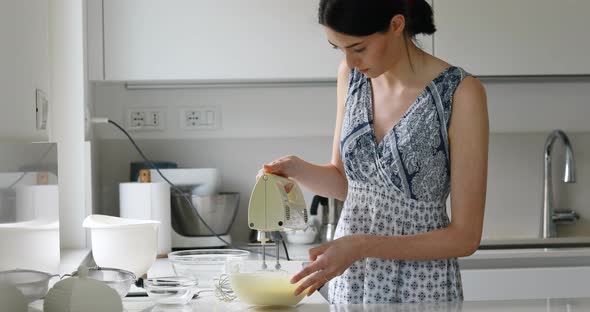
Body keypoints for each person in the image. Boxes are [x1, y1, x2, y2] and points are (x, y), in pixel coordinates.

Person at [258, 0, 488, 304]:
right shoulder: (351, 76)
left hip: (420, 287)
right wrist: (296, 169)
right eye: (339, 49)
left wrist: (361, 246)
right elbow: (346, 184)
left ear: (396, 25)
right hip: (351, 281)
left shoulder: (461, 92)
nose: (350, 61)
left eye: (358, 48)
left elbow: (465, 237)